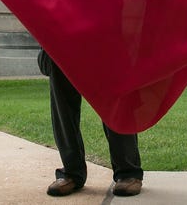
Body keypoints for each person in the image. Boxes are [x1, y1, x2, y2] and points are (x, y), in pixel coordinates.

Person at [38, 49, 143, 198]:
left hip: (105, 36)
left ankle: (128, 172)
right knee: (61, 96)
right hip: (65, 39)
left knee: (115, 95)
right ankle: (72, 172)